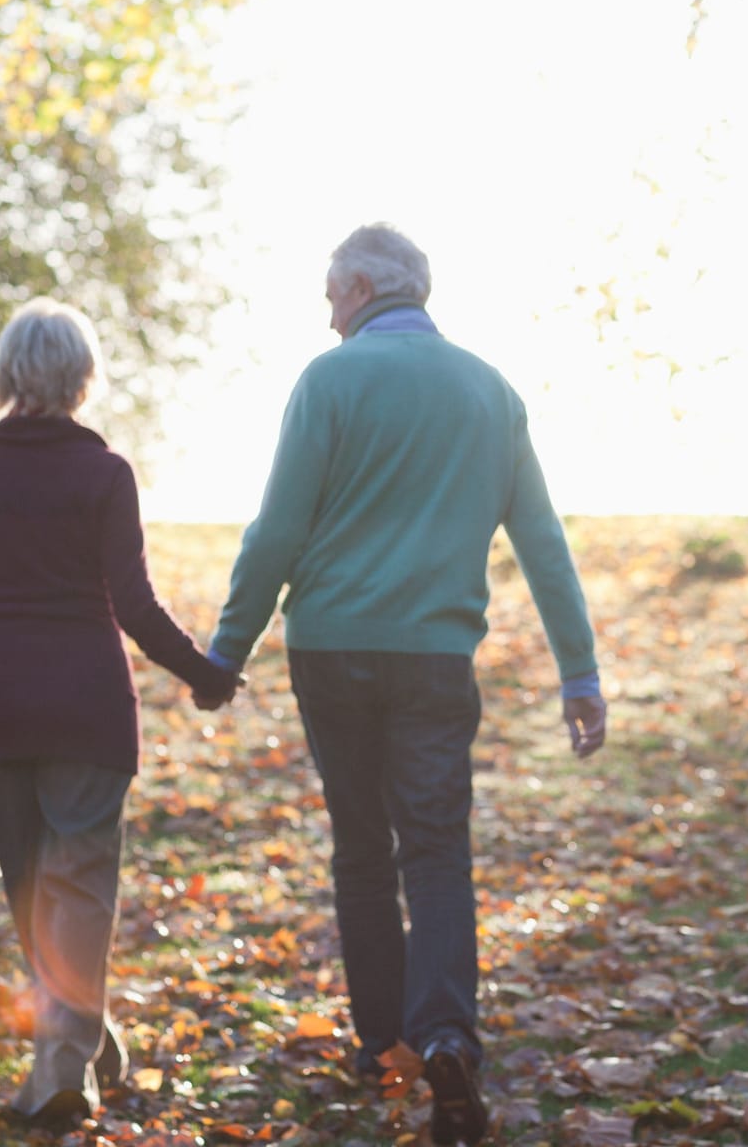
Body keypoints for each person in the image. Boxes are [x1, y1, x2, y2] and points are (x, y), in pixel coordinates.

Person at [206, 224, 607, 1146]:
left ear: (354, 288)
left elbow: (276, 533)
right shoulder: (490, 392)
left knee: (360, 846)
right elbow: (542, 544)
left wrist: (229, 651)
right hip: (435, 658)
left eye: (327, 294)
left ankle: (380, 1036)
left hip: (332, 651)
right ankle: (444, 1037)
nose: (326, 312)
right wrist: (577, 670)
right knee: (435, 851)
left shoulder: (329, 380)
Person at [0, 297, 241, 1127]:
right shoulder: (104, 475)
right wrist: (202, 673)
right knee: (78, 888)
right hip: (85, 704)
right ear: (82, 378)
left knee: (33, 889)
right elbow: (132, 603)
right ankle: (71, 1060)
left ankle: (78, 1054)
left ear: (5, 376)